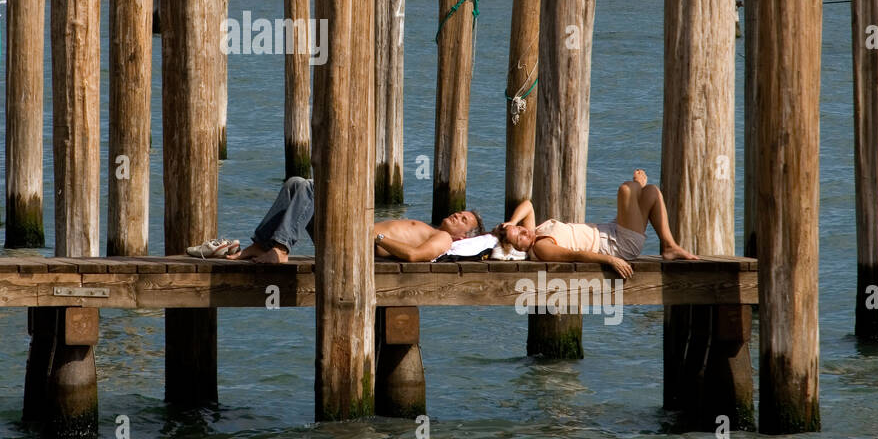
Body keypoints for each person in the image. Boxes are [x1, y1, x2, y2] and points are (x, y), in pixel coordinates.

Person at [207, 176, 486, 263]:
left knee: (310, 188)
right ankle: (262, 247)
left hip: (355, 245)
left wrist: (375, 237)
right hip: (348, 235)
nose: (456, 214)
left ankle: (279, 249)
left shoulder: (444, 239)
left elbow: (414, 257)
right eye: (460, 212)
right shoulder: (430, 227)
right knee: (295, 183)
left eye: (463, 219)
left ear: (464, 236)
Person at [493, 169, 698, 280]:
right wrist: (611, 260)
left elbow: (528, 206)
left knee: (652, 192)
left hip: (610, 231)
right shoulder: (540, 247)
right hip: (618, 246)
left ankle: (670, 246)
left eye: (520, 229)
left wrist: (511, 222)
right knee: (627, 190)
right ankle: (638, 185)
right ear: (518, 250)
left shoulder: (534, 232)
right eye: (518, 238)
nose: (523, 233)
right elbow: (576, 256)